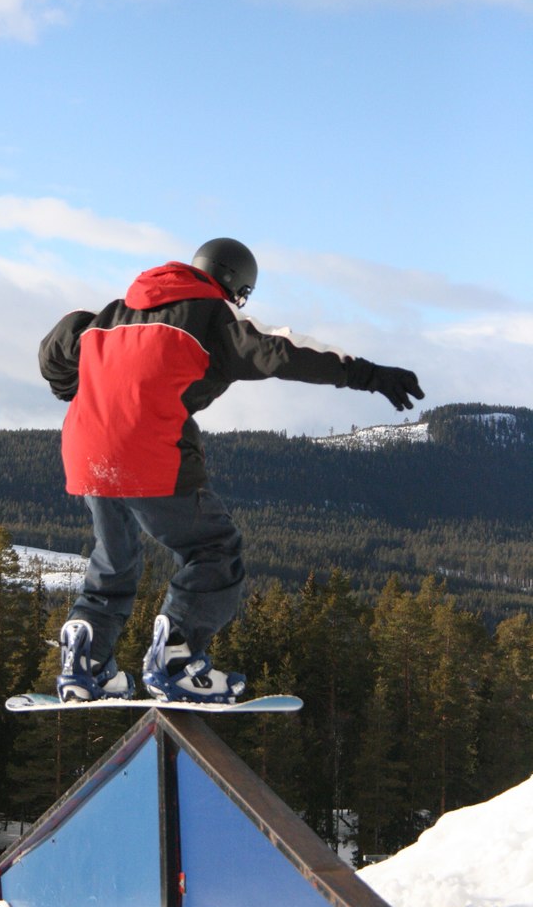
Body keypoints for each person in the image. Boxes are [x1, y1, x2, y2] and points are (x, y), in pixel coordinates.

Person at [39, 238, 424, 704]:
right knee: (214, 550)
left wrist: (75, 390)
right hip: (153, 450)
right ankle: (176, 659)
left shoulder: (113, 314)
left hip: (88, 450)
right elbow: (282, 351)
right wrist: (369, 375)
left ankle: (86, 661)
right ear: (234, 285)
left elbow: (56, 346)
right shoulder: (210, 316)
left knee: (114, 560)